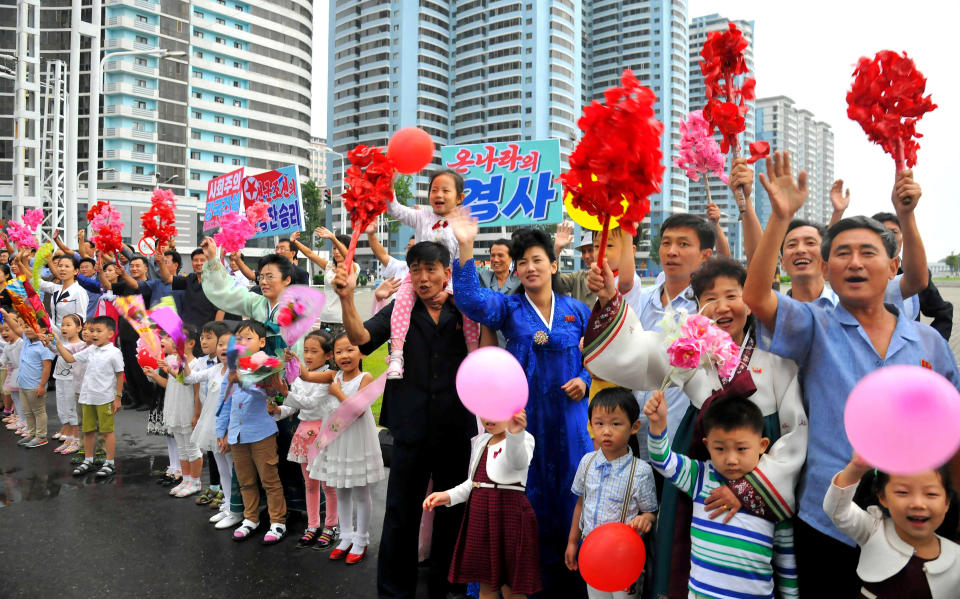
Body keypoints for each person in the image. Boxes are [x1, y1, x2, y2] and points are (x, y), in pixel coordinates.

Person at [742, 150, 960, 594]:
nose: (855, 262)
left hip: (913, 517)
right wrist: (780, 218)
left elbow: (952, 431)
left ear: (893, 266)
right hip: (828, 516)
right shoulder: (813, 326)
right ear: (826, 268)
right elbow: (757, 297)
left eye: (868, 252)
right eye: (842, 253)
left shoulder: (928, 344)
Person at [583, 256, 808, 597]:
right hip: (699, 465)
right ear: (698, 306)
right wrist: (609, 297)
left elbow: (795, 435)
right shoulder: (690, 349)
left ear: (750, 299)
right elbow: (639, 354)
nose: (722, 306)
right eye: (710, 299)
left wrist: (748, 488)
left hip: (761, 475)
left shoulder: (777, 357)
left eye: (733, 295)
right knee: (684, 557)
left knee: (761, 563)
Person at [450, 216, 593, 596]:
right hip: (523, 424)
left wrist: (586, 379)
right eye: (522, 263)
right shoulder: (510, 308)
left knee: (572, 496)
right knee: (524, 501)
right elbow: (469, 299)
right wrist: (466, 246)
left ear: (553, 264)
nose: (529, 268)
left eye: (536, 260)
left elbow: (596, 357)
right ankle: (525, 585)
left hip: (570, 421)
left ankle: (575, 582)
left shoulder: (577, 310)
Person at [335, 240, 476, 599]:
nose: (424, 277)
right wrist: (347, 298)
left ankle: (450, 586)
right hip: (410, 427)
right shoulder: (401, 308)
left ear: (448, 272)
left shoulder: (466, 311)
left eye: (432, 269)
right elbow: (362, 339)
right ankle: (394, 591)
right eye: (416, 270)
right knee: (401, 513)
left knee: (452, 510)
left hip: (454, 426)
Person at [645, 391, 798, 598]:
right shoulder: (699, 477)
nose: (731, 459)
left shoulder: (772, 492)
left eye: (741, 448)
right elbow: (662, 460)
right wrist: (658, 424)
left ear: (762, 445)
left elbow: (786, 562)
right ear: (707, 445)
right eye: (720, 448)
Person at [424, 410, 540, 599]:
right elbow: (473, 482)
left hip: (509, 518)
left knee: (511, 588)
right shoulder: (481, 441)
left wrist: (515, 434)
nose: (489, 418)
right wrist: (448, 495)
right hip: (481, 519)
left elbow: (518, 463)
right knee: (485, 583)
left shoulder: (524, 438)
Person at [383, 169, 480, 379]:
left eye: (446, 190)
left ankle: (473, 356)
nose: (439, 195)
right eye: (434, 190)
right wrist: (390, 188)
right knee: (401, 304)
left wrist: (449, 291)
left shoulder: (462, 222)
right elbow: (396, 210)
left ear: (459, 197)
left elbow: (461, 262)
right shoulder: (422, 216)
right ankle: (397, 355)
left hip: (451, 277)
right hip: (418, 276)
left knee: (470, 314)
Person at [566, 389, 658, 599]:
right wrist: (572, 542)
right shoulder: (587, 462)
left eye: (616, 424)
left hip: (624, 557)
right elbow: (580, 504)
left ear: (634, 427)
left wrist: (645, 520)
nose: (606, 431)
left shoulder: (641, 471)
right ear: (590, 426)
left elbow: (651, 512)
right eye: (599, 423)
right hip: (592, 554)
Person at [824, 456, 959, 598]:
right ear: (882, 497)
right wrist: (855, 469)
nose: (918, 503)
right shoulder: (874, 530)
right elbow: (837, 510)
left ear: (947, 502)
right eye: (903, 492)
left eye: (931, 494)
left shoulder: (956, 558)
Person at [306, 332, 385, 564]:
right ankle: (346, 535)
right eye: (338, 352)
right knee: (341, 489)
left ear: (361, 352)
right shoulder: (333, 374)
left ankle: (361, 538)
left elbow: (358, 411)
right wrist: (292, 362)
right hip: (338, 440)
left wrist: (338, 391)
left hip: (357, 439)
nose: (344, 355)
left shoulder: (366, 378)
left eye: (349, 350)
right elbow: (308, 375)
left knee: (360, 492)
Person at [216, 320, 287, 545]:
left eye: (249, 338)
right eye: (239, 339)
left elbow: (266, 393)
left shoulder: (268, 363)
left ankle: (277, 521)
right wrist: (222, 431)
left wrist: (244, 380)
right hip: (237, 434)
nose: (243, 342)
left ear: (262, 342)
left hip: (261, 432)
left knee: (269, 479)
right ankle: (250, 518)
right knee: (245, 480)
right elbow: (224, 400)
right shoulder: (234, 365)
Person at [267, 330, 341, 549]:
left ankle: (331, 526)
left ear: (328, 356)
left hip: (323, 433)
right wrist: (277, 410)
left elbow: (310, 403)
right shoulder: (301, 376)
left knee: (328, 485)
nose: (308, 355)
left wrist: (287, 392)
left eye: (314, 351)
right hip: (303, 433)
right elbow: (293, 407)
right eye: (305, 350)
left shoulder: (329, 377)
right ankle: (312, 525)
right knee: (309, 484)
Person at [53, 316, 124, 478]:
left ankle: (110, 463)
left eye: (99, 331)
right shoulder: (91, 350)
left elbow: (120, 375)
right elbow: (70, 358)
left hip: (104, 398)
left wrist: (118, 397)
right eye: (92, 331)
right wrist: (58, 343)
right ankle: (88, 460)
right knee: (88, 430)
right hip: (87, 397)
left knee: (107, 431)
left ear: (111, 334)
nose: (94, 334)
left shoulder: (114, 352)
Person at [871, 211, 953, 340]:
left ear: (903, 238)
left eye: (894, 232)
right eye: (881, 232)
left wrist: (930, 349)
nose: (888, 237)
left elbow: (943, 311)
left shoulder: (916, 275)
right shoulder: (861, 274)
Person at [144, 328, 203, 498]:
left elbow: (188, 383)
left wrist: (196, 414)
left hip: (187, 408)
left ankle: (195, 481)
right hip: (174, 406)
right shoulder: (171, 359)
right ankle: (186, 480)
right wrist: (154, 375)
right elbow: (168, 384)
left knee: (192, 448)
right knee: (182, 448)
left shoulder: (196, 364)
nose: (173, 341)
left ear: (191, 343)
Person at [185, 325, 233, 519]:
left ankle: (236, 508)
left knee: (232, 468)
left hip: (228, 429)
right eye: (221, 344)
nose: (223, 348)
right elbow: (189, 378)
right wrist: (183, 355)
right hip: (212, 425)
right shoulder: (214, 369)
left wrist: (228, 431)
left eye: (229, 345)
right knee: (221, 467)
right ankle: (228, 503)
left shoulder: (239, 373)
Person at [289, 228, 356, 333]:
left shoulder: (353, 267)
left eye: (340, 248)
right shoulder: (329, 266)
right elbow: (310, 254)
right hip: (325, 318)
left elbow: (349, 258)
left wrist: (333, 238)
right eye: (334, 248)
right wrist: (294, 242)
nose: (337, 252)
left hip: (343, 319)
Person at [11, 318, 55, 448]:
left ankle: (41, 436)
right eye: (25, 326)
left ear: (43, 330)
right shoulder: (26, 340)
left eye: (31, 326)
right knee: (27, 412)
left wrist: (42, 385)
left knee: (38, 411)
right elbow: (14, 326)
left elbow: (47, 367)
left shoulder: (44, 345)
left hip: (35, 385)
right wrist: (4, 313)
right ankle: (32, 433)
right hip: (23, 384)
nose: (27, 329)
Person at [156, 247, 225, 329]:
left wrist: (214, 331)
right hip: (187, 332)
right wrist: (161, 263)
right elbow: (167, 279)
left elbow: (221, 310)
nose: (199, 263)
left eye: (202, 260)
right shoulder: (190, 278)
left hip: (205, 332)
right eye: (195, 260)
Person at [50, 314, 84, 454]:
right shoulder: (64, 344)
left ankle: (77, 440)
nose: (64, 328)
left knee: (72, 410)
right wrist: (47, 343)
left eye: (68, 325)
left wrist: (56, 344)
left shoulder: (82, 345)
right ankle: (69, 439)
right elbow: (57, 352)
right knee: (63, 409)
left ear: (79, 328)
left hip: (72, 381)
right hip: (60, 379)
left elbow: (70, 356)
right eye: (63, 325)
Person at [555, 222, 598, 305]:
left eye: (590, 250)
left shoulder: (613, 278)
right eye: (583, 252)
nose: (586, 256)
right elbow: (554, 280)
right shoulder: (578, 277)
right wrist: (557, 249)